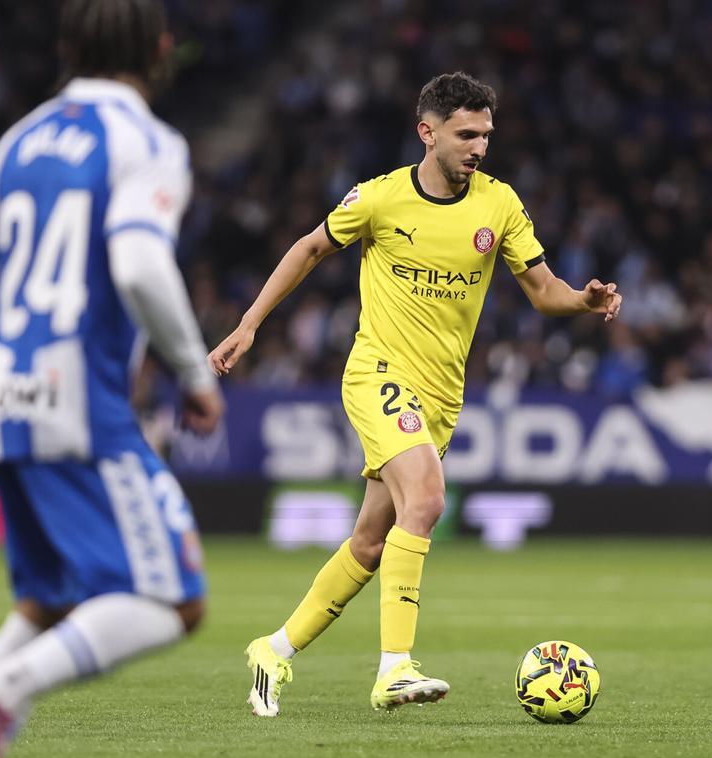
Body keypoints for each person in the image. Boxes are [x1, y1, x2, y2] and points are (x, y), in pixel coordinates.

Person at [207, 71, 621, 716]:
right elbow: (310, 248)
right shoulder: (377, 199)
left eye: (486, 134)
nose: (478, 146)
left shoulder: (499, 205)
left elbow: (544, 291)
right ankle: (394, 670)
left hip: (440, 398)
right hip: (377, 373)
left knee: (371, 543)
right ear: (427, 132)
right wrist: (250, 323)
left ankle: (273, 650)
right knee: (425, 501)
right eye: (465, 134)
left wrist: (582, 300)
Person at [0, 2, 222, 758]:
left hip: (2, 391)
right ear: (161, 49)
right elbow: (136, 265)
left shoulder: (21, 136)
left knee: (49, 602)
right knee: (173, 600)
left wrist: (34, 317)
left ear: (70, 47)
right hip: (80, 402)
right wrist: (192, 372)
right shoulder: (148, 142)